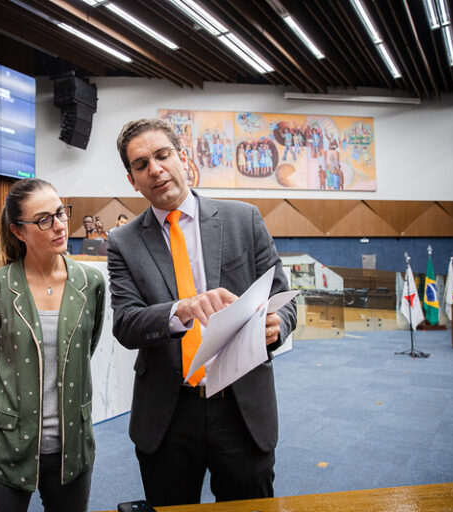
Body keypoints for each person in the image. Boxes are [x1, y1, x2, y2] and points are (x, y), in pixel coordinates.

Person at [107, 119, 296, 507]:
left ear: (182, 158)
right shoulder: (123, 243)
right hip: (168, 413)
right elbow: (126, 324)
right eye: (141, 165)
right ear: (133, 180)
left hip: (240, 406)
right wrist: (181, 309)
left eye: (162, 155)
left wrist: (279, 325)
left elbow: (285, 298)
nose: (155, 169)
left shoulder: (244, 219)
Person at [0, 178, 106, 512]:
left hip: (71, 448)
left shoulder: (90, 283)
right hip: (6, 444)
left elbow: (84, 349)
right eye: (44, 219)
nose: (60, 225)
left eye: (61, 213)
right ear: (19, 231)